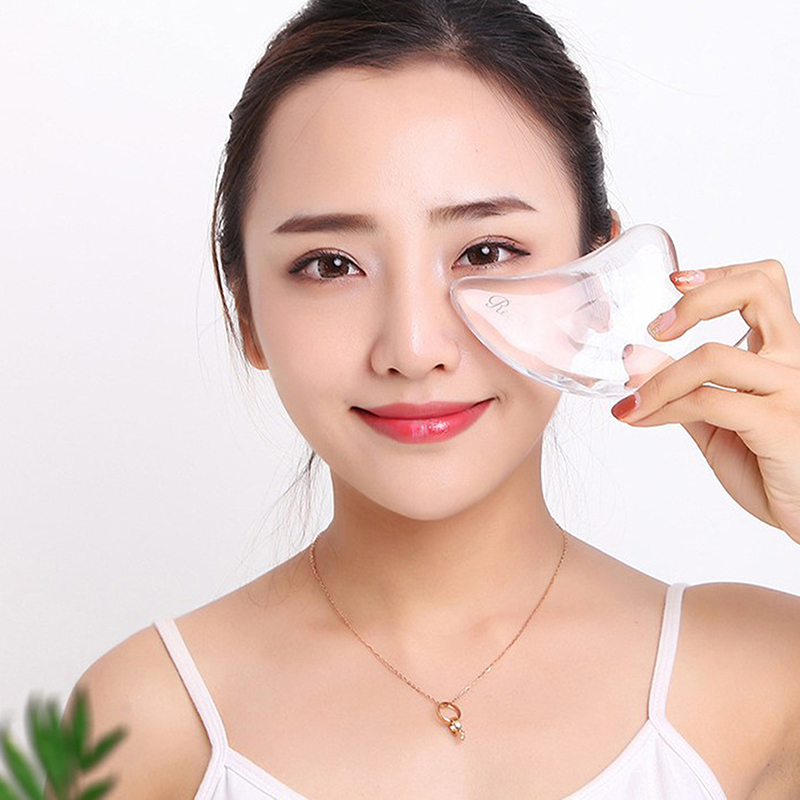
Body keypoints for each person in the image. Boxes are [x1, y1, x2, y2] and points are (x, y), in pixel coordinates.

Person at [62, 1, 800, 797]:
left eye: (486, 251)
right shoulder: (139, 721)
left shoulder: (765, 678)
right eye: (330, 264)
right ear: (246, 312)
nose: (413, 349)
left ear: (599, 280)